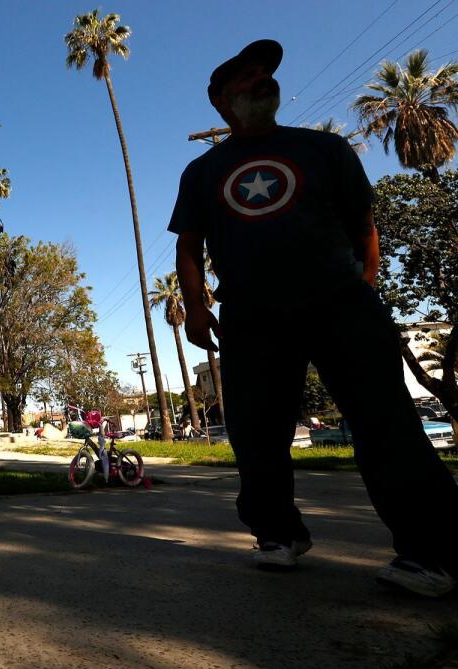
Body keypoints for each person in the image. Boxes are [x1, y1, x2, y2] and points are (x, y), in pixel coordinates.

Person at [169, 40, 458, 597]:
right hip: (250, 315)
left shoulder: (324, 149)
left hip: (340, 304)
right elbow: (189, 246)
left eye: (265, 74)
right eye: (247, 77)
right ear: (221, 102)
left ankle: (434, 552)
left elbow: (364, 225)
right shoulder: (203, 170)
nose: (261, 80)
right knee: (256, 433)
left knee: (385, 423)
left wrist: (363, 289)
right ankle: (277, 534)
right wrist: (198, 305)